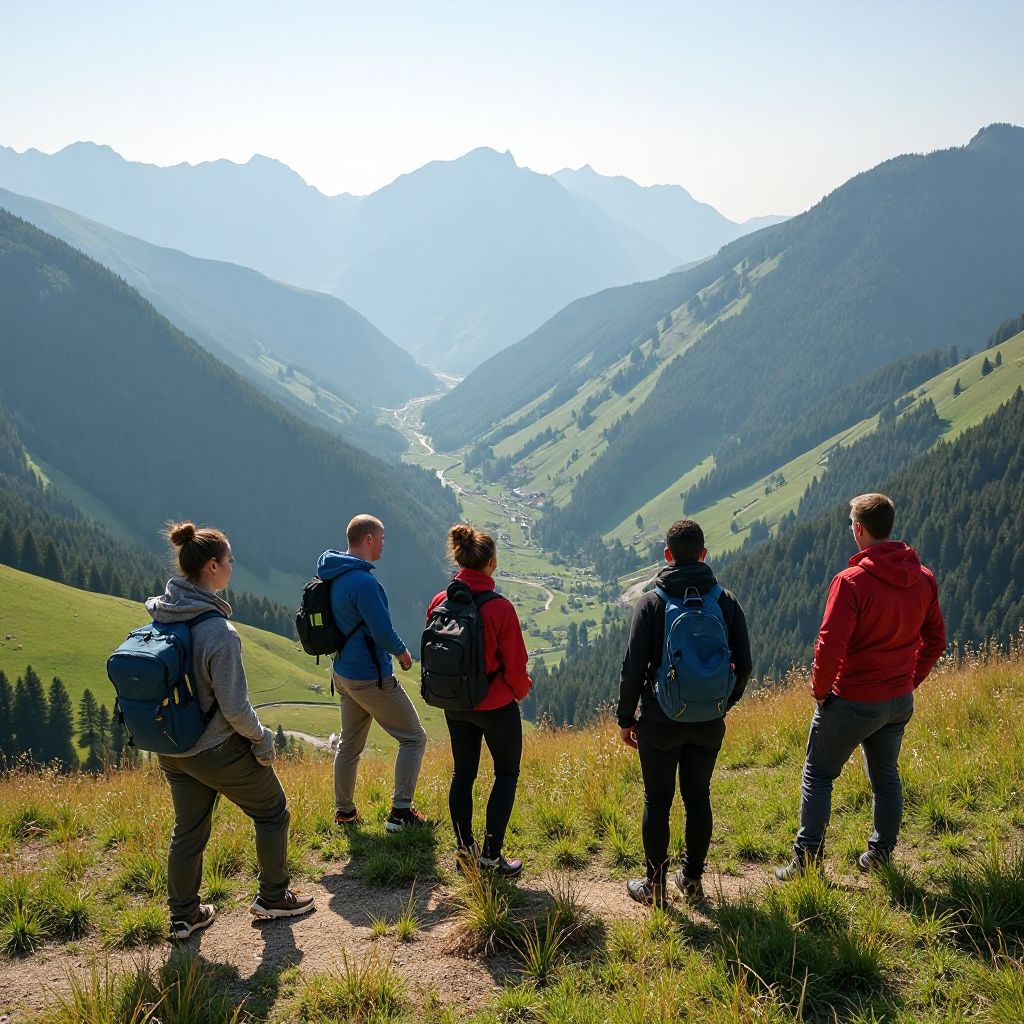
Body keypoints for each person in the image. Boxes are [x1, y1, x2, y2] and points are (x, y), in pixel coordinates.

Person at [151, 522, 314, 941]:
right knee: (272, 810)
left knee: (188, 829)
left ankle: (184, 916)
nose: (232, 567)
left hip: (172, 747)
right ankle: (273, 897)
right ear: (212, 566)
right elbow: (236, 708)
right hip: (216, 748)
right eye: (229, 560)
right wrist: (262, 740)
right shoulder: (218, 632)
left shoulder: (161, 616)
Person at [775, 493, 946, 880]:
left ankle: (806, 864)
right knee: (886, 776)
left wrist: (821, 691)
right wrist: (909, 680)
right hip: (898, 700)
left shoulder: (851, 582)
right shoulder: (923, 578)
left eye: (852, 523)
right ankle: (881, 856)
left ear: (859, 529)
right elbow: (935, 640)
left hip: (853, 700)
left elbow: (829, 643)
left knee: (818, 775)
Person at [618, 519, 751, 906]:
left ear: (667, 555)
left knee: (657, 800)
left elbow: (632, 669)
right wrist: (724, 703)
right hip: (709, 720)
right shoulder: (726, 601)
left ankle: (655, 887)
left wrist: (626, 718)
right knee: (698, 796)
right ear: (704, 554)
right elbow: (744, 665)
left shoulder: (652, 603)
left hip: (659, 720)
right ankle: (692, 881)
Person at [427, 524, 532, 876]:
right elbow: (516, 665)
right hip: (496, 704)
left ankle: (463, 851)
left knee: (463, 774)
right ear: (492, 563)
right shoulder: (500, 608)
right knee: (505, 774)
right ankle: (490, 855)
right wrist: (520, 691)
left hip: (456, 704)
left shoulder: (440, 601)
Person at [318, 514, 428, 831]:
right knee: (413, 738)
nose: (383, 544)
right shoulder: (365, 583)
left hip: (342, 674)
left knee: (349, 746)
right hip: (370, 677)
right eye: (381, 538)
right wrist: (403, 653)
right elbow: (382, 630)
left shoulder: (335, 573)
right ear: (368, 539)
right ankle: (400, 813)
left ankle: (345, 813)